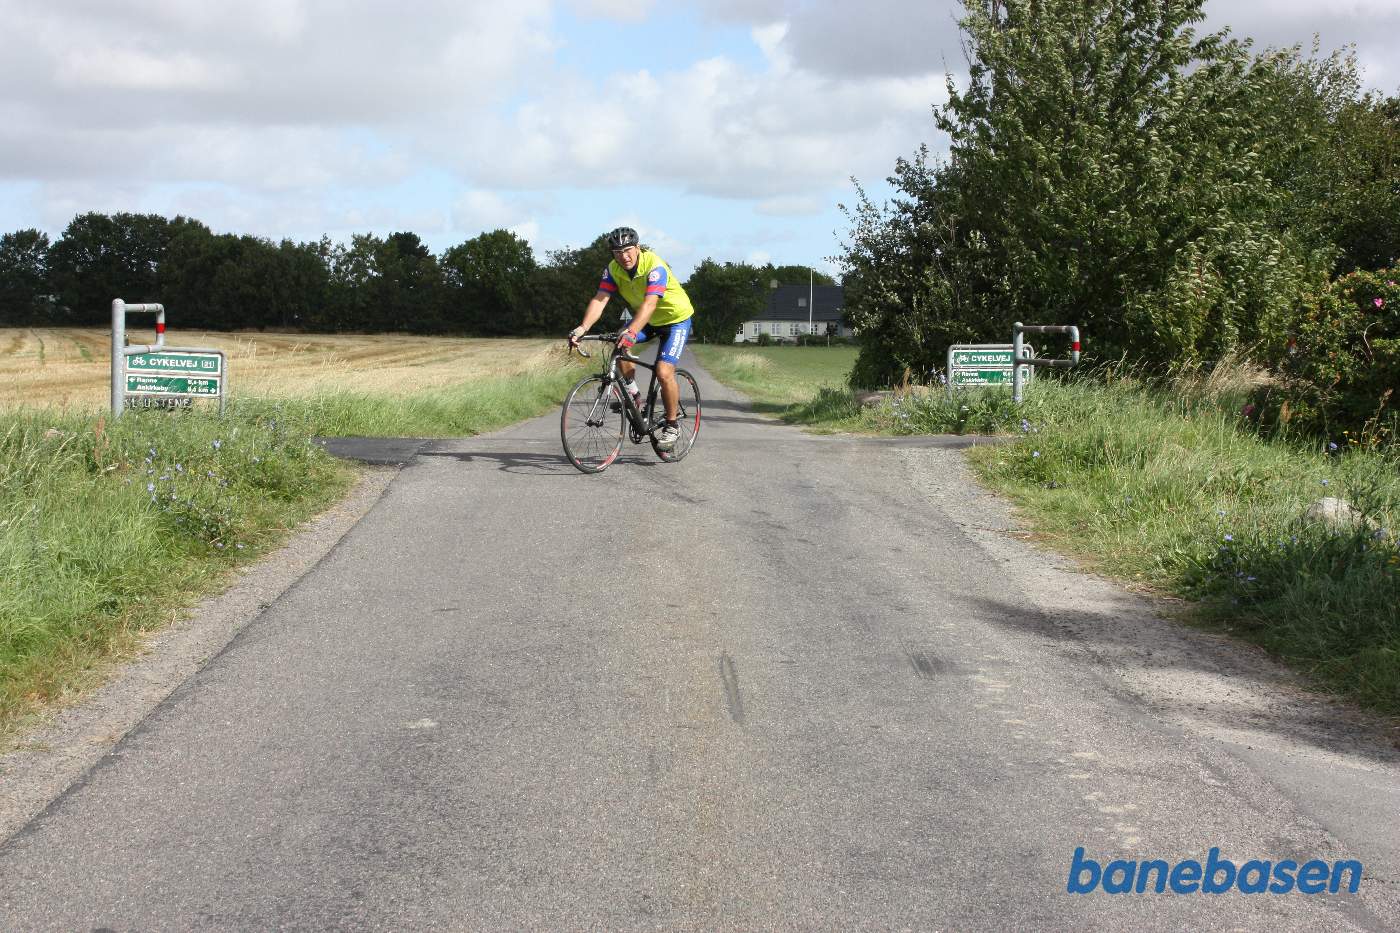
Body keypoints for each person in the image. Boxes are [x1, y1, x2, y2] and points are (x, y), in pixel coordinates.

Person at [568, 226, 696, 450]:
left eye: (628, 250)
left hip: (675, 320)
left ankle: (672, 425)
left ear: (637, 248)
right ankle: (635, 396)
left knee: (664, 371)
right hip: (649, 319)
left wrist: (633, 332)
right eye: (617, 252)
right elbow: (600, 299)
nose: (623, 256)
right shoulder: (613, 270)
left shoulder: (654, 266)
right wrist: (582, 327)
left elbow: (650, 303)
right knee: (619, 342)